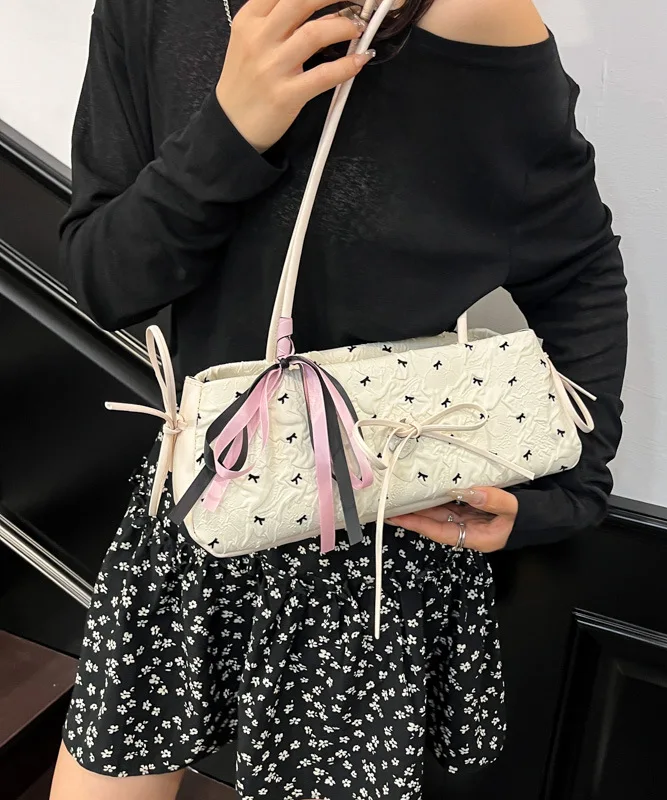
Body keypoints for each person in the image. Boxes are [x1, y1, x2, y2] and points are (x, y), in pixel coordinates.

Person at [50, 0, 627, 797]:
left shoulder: (472, 18)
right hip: (203, 492)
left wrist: (573, 488)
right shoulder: (151, 10)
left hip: (377, 536)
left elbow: (578, 268)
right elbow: (105, 284)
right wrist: (231, 129)